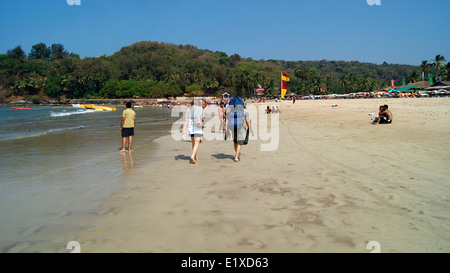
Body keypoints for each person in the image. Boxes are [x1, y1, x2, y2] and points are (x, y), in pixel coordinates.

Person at [226, 98, 250, 162]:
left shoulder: (231, 110)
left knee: (235, 141)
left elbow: (228, 120)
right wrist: (249, 127)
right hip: (240, 127)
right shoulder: (244, 111)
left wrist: (227, 128)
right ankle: (236, 156)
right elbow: (247, 121)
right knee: (240, 142)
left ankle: (237, 154)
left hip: (232, 127)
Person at [183, 99, 205, 164]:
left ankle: (195, 155)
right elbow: (202, 119)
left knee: (193, 142)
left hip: (190, 127)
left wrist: (184, 130)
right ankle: (192, 156)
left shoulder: (188, 109)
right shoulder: (200, 109)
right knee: (197, 142)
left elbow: (186, 120)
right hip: (197, 127)